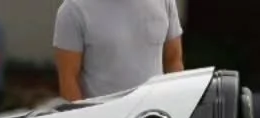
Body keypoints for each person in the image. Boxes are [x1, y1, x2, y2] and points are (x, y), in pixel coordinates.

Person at [53, 0, 182, 102]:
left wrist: (176, 107)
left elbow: (173, 59)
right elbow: (68, 79)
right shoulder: (73, 9)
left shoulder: (165, 1)